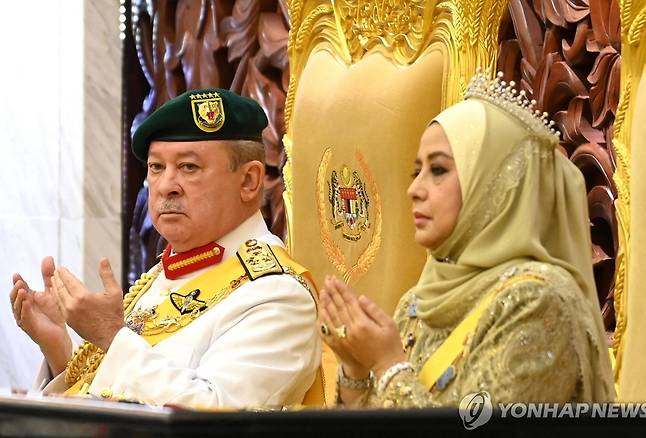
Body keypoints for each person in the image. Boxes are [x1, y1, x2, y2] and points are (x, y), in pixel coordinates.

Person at [318, 71, 615, 407]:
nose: (414, 189)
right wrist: (356, 370)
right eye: (417, 172)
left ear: (495, 185)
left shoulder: (537, 301)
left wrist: (387, 364)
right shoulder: (418, 303)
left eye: (439, 170)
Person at [9, 88, 322, 408]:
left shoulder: (277, 293)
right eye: (157, 167)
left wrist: (110, 335)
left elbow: (218, 414)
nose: (166, 185)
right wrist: (58, 349)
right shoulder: (166, 271)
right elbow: (118, 396)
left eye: (189, 167)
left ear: (249, 181)